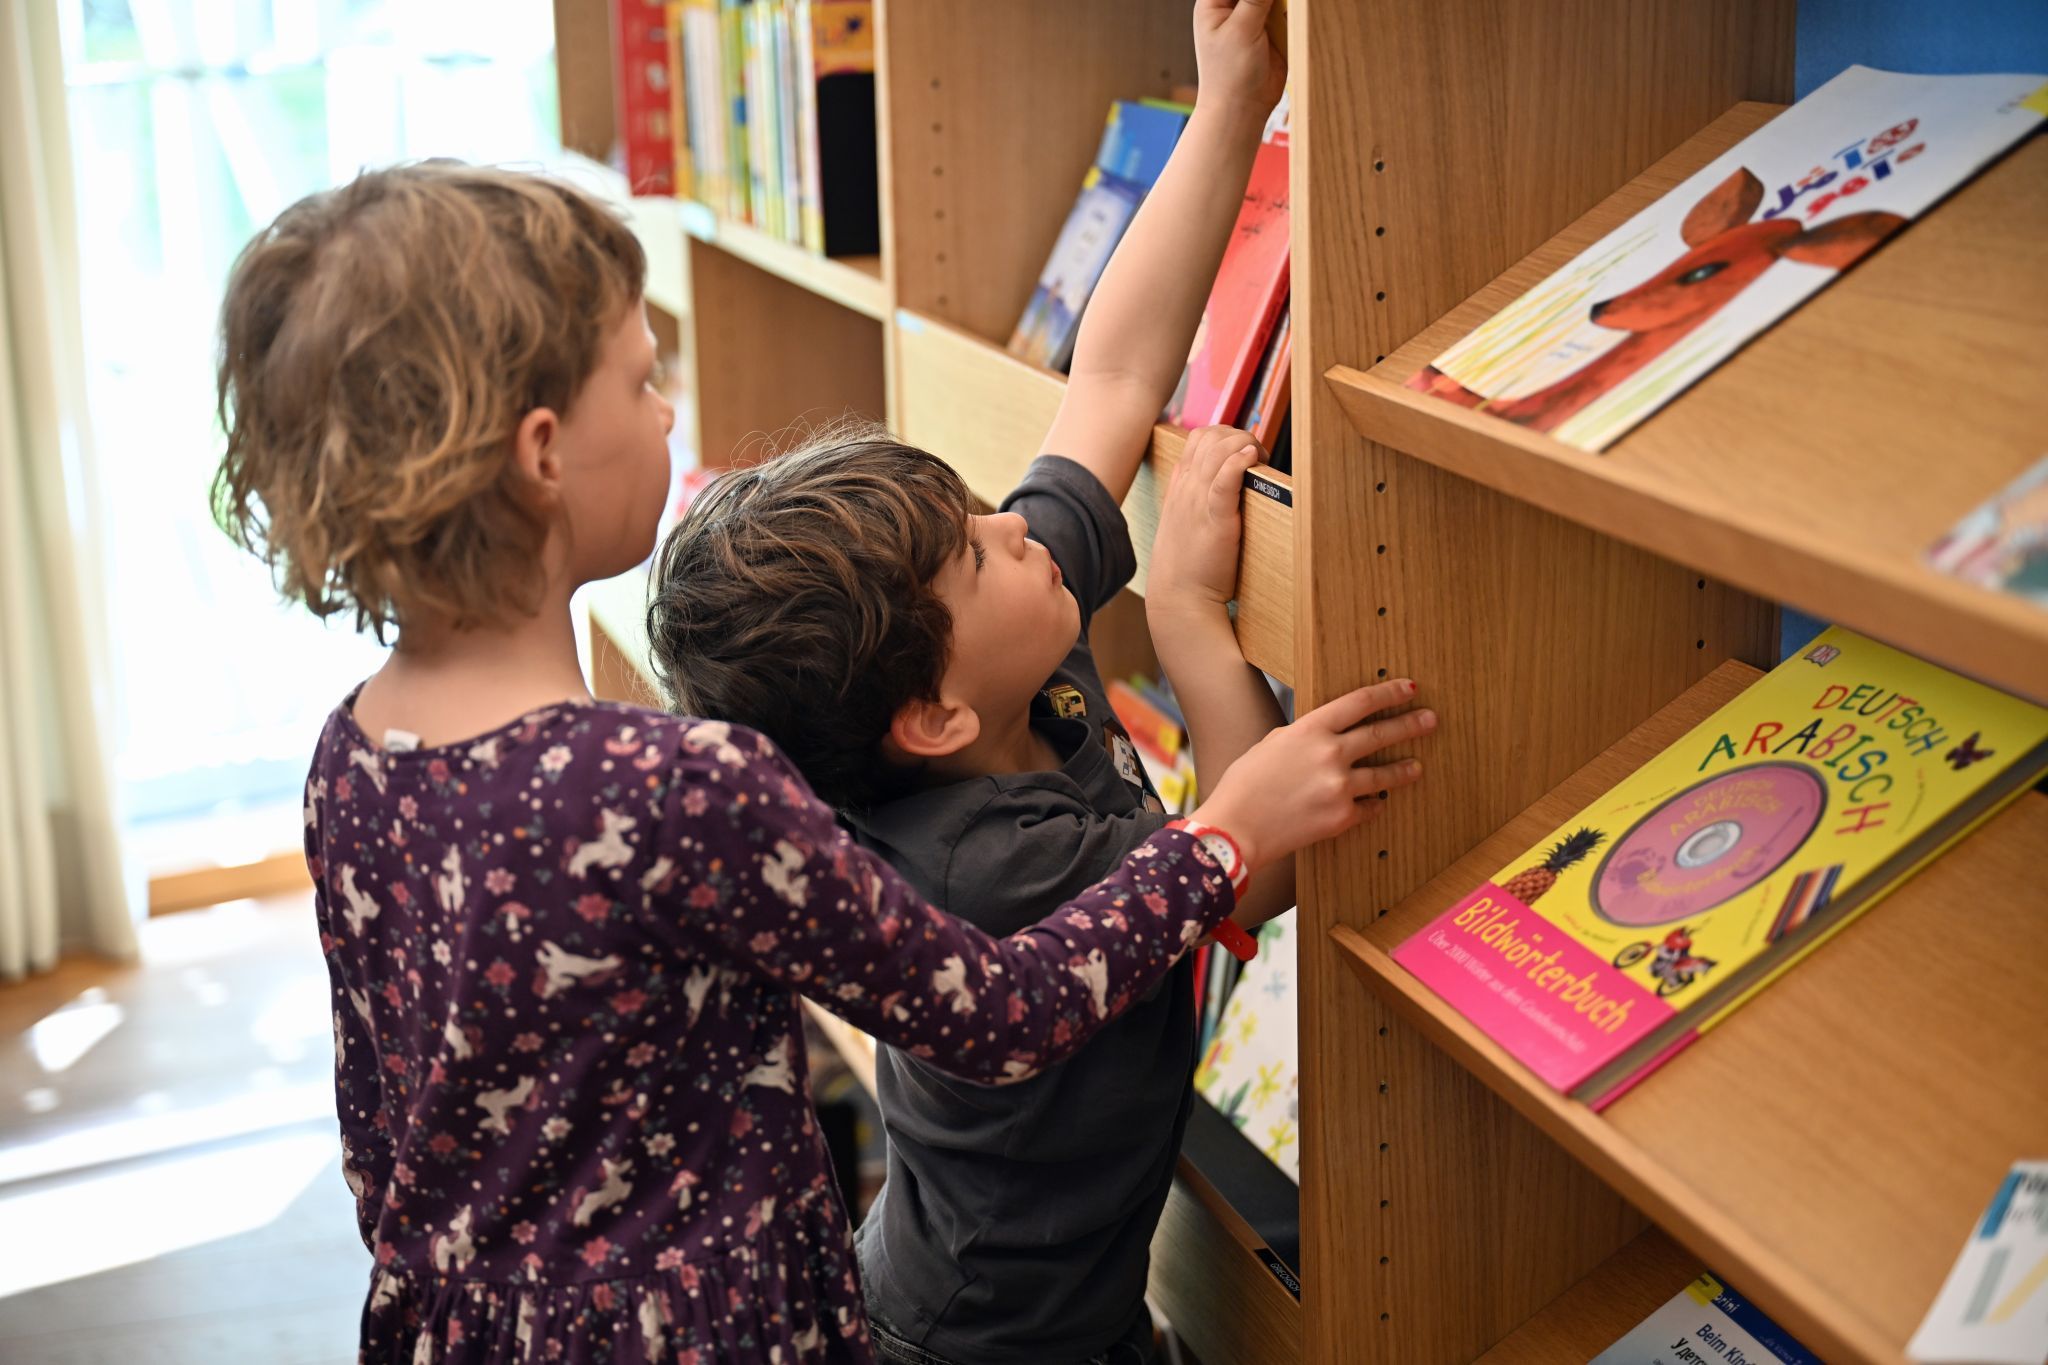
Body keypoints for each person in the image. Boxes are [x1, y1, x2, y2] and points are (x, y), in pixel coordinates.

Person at [211, 156, 1396, 1363]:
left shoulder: (351, 753)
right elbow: (994, 1011)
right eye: (640, 378)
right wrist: (1222, 835)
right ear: (542, 452)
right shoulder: (666, 786)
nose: (669, 411)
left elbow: (384, 1137)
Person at [644, 4, 1434, 1360]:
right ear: (931, 715)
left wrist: (1230, 99)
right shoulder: (986, 866)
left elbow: (1115, 376)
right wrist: (1186, 616)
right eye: (976, 546)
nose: (1017, 525)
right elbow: (1256, 857)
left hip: (1039, 1303)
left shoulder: (988, 657)